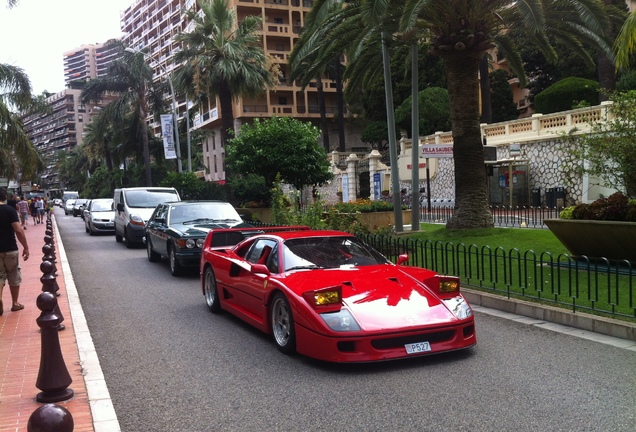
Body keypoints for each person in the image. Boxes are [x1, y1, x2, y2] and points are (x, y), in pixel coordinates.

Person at [0, 187, 29, 315]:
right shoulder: (10, 210)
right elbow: (18, 230)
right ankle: (15, 303)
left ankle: (0, 298)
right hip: (10, 249)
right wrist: (26, 247)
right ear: (5, 197)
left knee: (0, 276)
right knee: (13, 275)